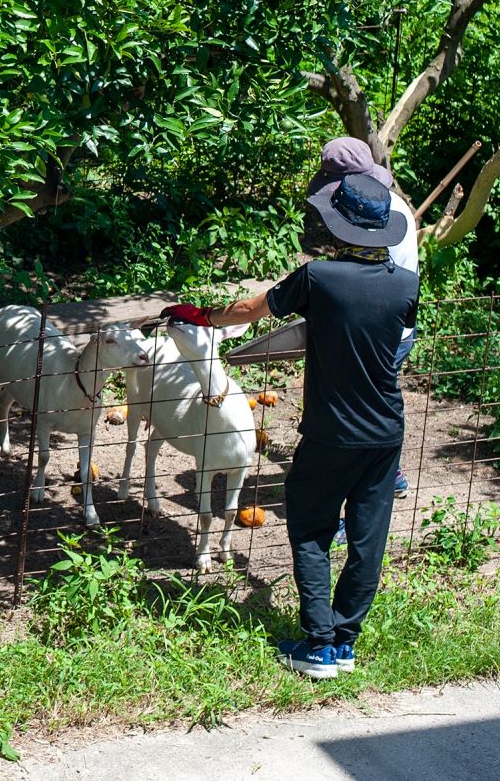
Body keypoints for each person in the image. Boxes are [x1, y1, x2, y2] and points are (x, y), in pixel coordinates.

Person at [163, 171, 417, 680]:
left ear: (339, 226)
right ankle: (345, 641)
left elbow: (250, 311)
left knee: (309, 528)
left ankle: (318, 646)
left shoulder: (319, 276)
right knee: (368, 538)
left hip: (330, 431)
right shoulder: (406, 284)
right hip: (386, 431)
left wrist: (201, 316)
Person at [301, 137, 417, 502]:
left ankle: (345, 503)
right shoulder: (387, 203)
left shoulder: (372, 213)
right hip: (396, 326)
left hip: (377, 327)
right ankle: (389, 473)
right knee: (379, 400)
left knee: (354, 415)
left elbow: (366, 280)